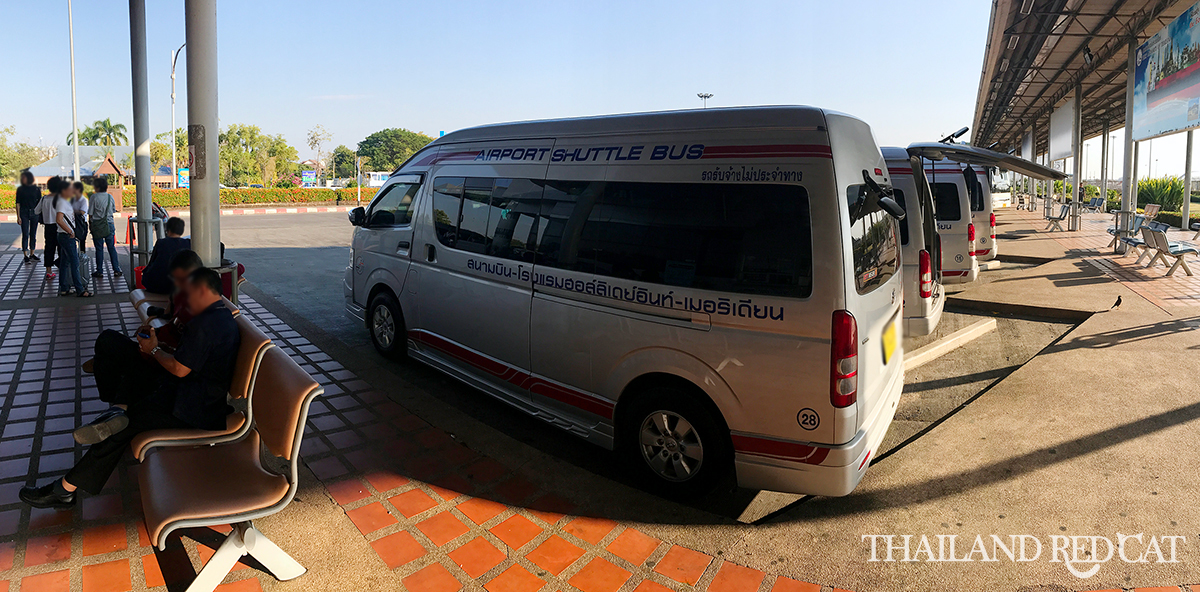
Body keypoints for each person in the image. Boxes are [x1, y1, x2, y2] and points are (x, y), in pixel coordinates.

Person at [19, 267, 241, 508]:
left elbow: (180, 369)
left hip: (192, 409)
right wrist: (155, 348)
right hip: (190, 395)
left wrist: (154, 350)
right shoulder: (216, 316)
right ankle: (117, 410)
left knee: (125, 423)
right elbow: (190, 362)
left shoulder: (206, 323)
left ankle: (65, 488)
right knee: (133, 373)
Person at [82, 249, 202, 379]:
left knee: (107, 349)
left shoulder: (200, 314)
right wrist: (153, 331)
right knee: (107, 341)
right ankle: (103, 366)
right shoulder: (184, 298)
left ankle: (105, 370)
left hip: (159, 361)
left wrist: (155, 349)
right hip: (154, 349)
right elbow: (172, 326)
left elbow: (181, 365)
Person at [54, 182, 90, 297]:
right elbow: (59, 220)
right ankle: (80, 289)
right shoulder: (62, 203)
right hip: (66, 236)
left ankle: (64, 288)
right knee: (75, 263)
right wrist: (70, 231)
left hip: (64, 235)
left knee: (64, 263)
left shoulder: (65, 202)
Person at [142, 217, 191, 294]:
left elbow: (152, 263)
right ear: (181, 230)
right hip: (180, 287)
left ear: (168, 230)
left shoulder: (161, 243)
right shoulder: (188, 243)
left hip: (158, 286)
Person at [87, 177, 123, 278]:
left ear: (97, 187)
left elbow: (90, 213)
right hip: (109, 225)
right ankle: (116, 269)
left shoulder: (93, 197)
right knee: (111, 248)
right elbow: (113, 210)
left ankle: (99, 271)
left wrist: (90, 225)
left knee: (99, 248)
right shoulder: (109, 197)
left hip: (98, 225)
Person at [38, 177, 63, 281]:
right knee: (61, 248)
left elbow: (36, 211)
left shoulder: (44, 199)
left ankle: (49, 271)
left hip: (48, 227)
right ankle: (62, 268)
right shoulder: (61, 199)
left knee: (49, 248)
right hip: (60, 226)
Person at [16, 171, 42, 264]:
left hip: (34, 212)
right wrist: (18, 216)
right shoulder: (20, 189)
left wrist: (39, 214)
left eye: (24, 177)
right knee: (25, 234)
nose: (23, 179)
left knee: (33, 234)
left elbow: (40, 202)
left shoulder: (36, 189)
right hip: (24, 213)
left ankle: (32, 253)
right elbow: (18, 203)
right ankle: (25, 255)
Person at [72, 181, 89, 254]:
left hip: (81, 223)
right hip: (73, 223)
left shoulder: (83, 200)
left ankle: (82, 256)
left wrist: (73, 211)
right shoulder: (72, 200)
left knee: (82, 241)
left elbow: (83, 212)